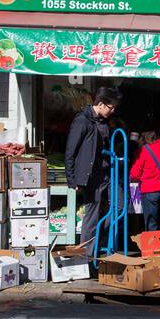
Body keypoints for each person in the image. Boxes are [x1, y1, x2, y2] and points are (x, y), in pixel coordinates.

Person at [65, 87, 121, 251]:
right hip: (91, 176)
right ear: (101, 104)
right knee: (91, 216)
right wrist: (71, 178)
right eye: (111, 107)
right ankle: (87, 257)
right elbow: (70, 150)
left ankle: (98, 238)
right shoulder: (82, 120)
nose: (113, 111)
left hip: (108, 173)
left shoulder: (104, 122)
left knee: (120, 207)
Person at [129, 136, 160, 232]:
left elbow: (135, 174)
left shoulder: (145, 150)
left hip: (150, 190)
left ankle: (153, 246)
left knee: (151, 222)